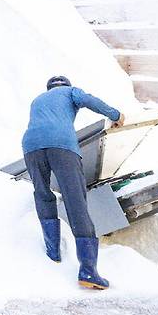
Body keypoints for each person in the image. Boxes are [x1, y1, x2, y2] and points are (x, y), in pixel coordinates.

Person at [22, 75, 122, 291]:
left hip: (31, 146)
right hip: (61, 144)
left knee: (43, 194)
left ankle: (52, 254)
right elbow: (89, 100)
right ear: (65, 86)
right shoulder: (71, 92)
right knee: (75, 200)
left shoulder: (38, 100)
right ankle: (88, 271)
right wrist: (115, 114)